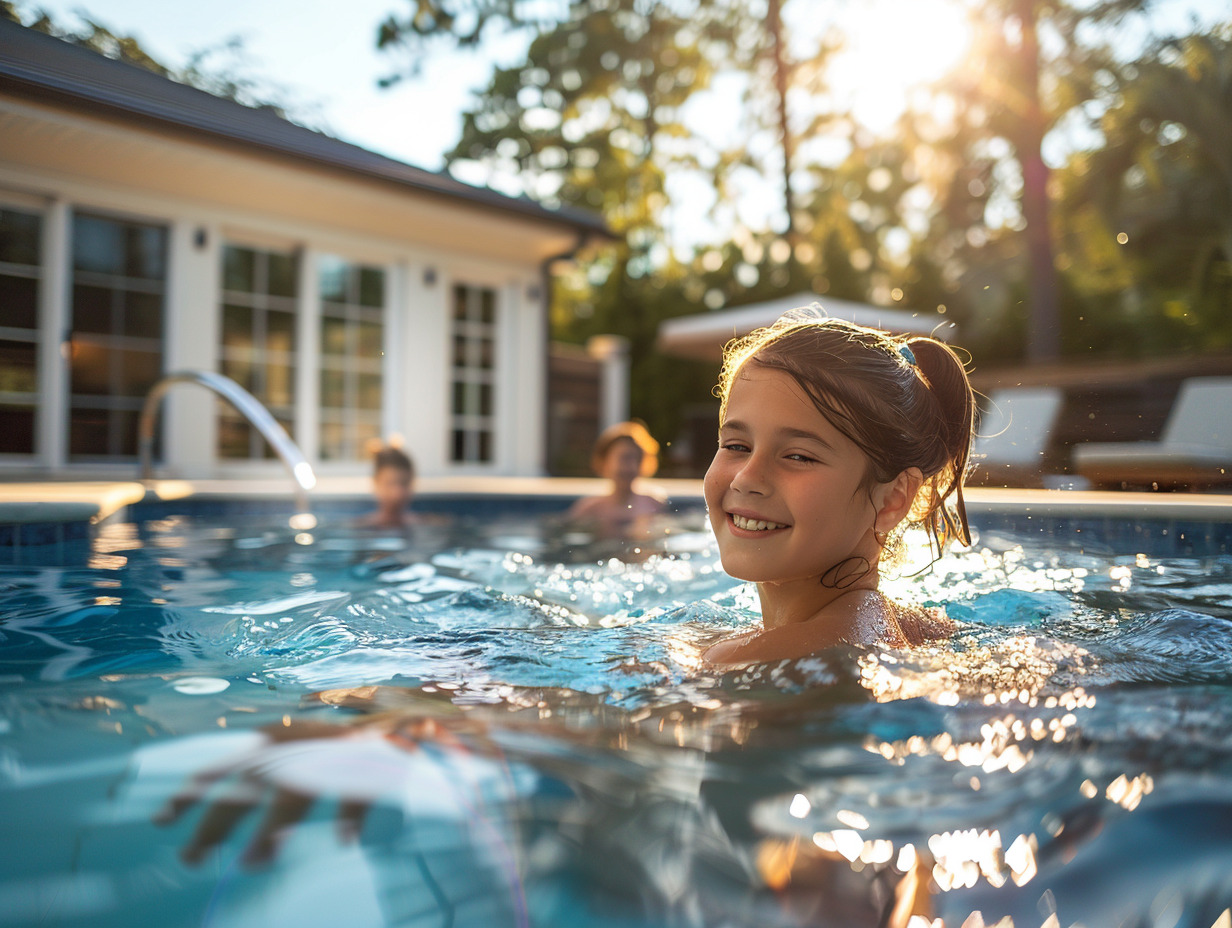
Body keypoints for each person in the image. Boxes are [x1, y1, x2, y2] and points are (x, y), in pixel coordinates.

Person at [703, 311, 974, 666]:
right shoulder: (921, 626)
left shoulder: (747, 660)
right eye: (737, 446)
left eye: (798, 456)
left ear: (892, 499)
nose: (746, 479)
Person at [564, 420, 666, 537]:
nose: (631, 466)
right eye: (625, 458)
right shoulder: (588, 510)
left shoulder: (655, 505)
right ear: (604, 462)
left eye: (637, 458)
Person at [356, 443, 416, 530]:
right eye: (390, 483)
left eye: (404, 483)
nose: (398, 493)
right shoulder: (360, 527)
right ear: (375, 483)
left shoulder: (428, 523)